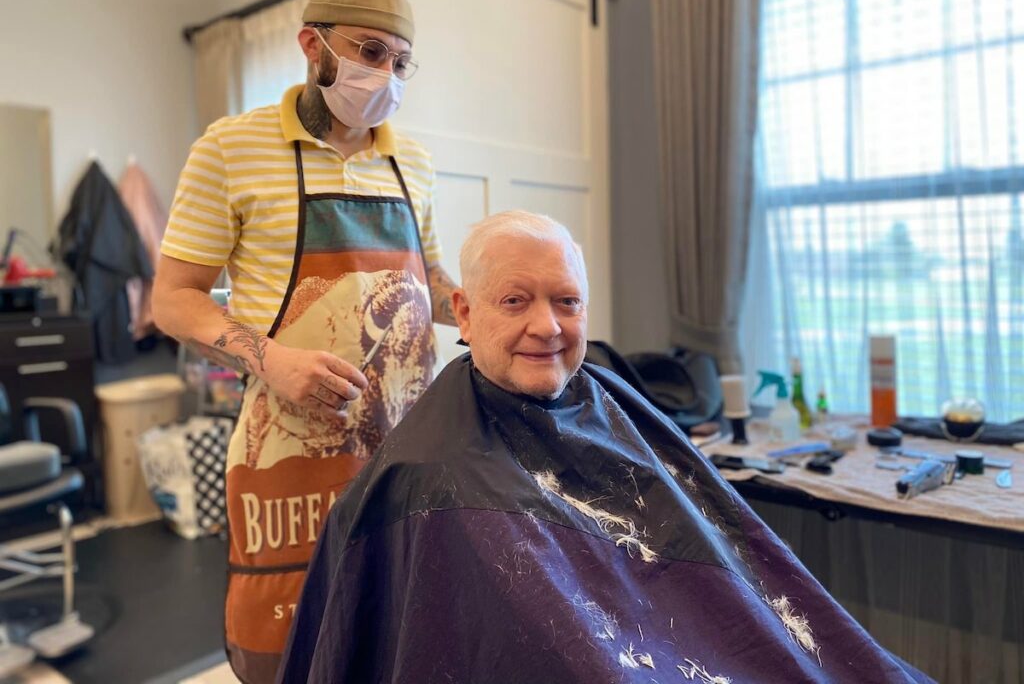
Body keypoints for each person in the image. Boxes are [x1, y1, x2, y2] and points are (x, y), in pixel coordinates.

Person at [276, 210, 931, 684]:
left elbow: (733, 575)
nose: (548, 326)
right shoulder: (428, 473)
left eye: (567, 301)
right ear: (466, 313)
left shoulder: (612, 401)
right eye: (515, 300)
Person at [152, 0, 458, 683]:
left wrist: (487, 304)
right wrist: (273, 360)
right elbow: (174, 297)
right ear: (311, 45)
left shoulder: (413, 161)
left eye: (401, 62)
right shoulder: (231, 148)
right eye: (370, 52)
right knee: (292, 648)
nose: (384, 74)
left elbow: (429, 279)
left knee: (398, 635)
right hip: (288, 457)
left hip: (404, 449)